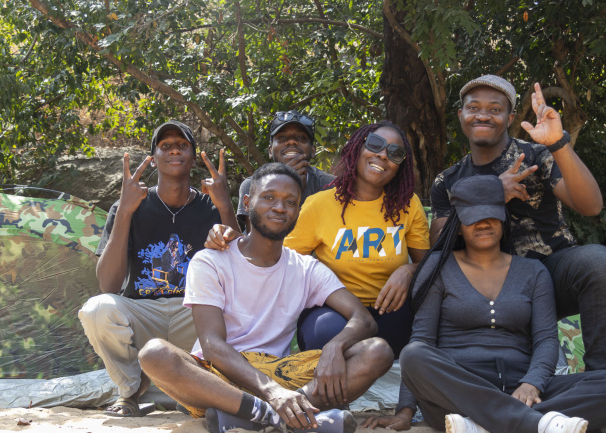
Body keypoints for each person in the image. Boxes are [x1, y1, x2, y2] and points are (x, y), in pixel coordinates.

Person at [137, 163, 394, 433]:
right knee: (155, 354)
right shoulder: (210, 260)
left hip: (281, 372)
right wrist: (272, 392)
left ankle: (257, 417)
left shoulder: (306, 268)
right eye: (269, 197)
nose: (280, 207)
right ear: (247, 202)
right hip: (218, 377)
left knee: (377, 351)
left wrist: (335, 348)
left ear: (298, 211)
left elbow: (363, 319)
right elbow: (212, 345)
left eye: (290, 202)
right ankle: (282, 417)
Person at [365, 175, 606, 433]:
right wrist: (404, 411)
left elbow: (546, 340)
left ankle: (480, 424)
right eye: (472, 218)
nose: (483, 224)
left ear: (503, 218)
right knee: (414, 355)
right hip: (458, 392)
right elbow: (422, 339)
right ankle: (538, 424)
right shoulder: (438, 267)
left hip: (520, 389)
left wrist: (532, 384)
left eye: (491, 215)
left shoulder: (533, 271)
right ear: (458, 224)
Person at [430, 75, 606, 375]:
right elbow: (440, 247)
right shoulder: (447, 180)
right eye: (474, 108)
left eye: (495, 109)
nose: (483, 114)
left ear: (509, 118)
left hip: (549, 272)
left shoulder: (535, 156)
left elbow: (591, 206)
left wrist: (558, 144)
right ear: (461, 116)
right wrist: (493, 192)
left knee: (598, 261)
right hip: (488, 285)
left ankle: (604, 380)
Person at [207, 121, 430, 357]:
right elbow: (277, 257)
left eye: (395, 153)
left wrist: (408, 271)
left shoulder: (408, 205)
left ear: (400, 165)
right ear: (357, 149)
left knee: (416, 335)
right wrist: (235, 240)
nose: (383, 155)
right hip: (334, 310)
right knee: (324, 335)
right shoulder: (320, 204)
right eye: (375, 145)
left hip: (390, 309)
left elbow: (428, 266)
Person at [78, 120, 239, 417]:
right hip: (144, 314)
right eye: (165, 146)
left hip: (195, 315)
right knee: (96, 308)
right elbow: (108, 286)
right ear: (153, 158)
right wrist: (125, 210)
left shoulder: (211, 205)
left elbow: (243, 276)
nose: (174, 150)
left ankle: (197, 388)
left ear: (192, 157)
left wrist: (226, 206)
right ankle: (130, 392)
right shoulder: (130, 204)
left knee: (235, 308)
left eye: (182, 145)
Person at [236, 110, 334, 233]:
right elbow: (254, 243)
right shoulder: (254, 185)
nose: (292, 142)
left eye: (301, 138)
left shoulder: (331, 186)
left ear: (312, 150)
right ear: (270, 151)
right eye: (282, 138)